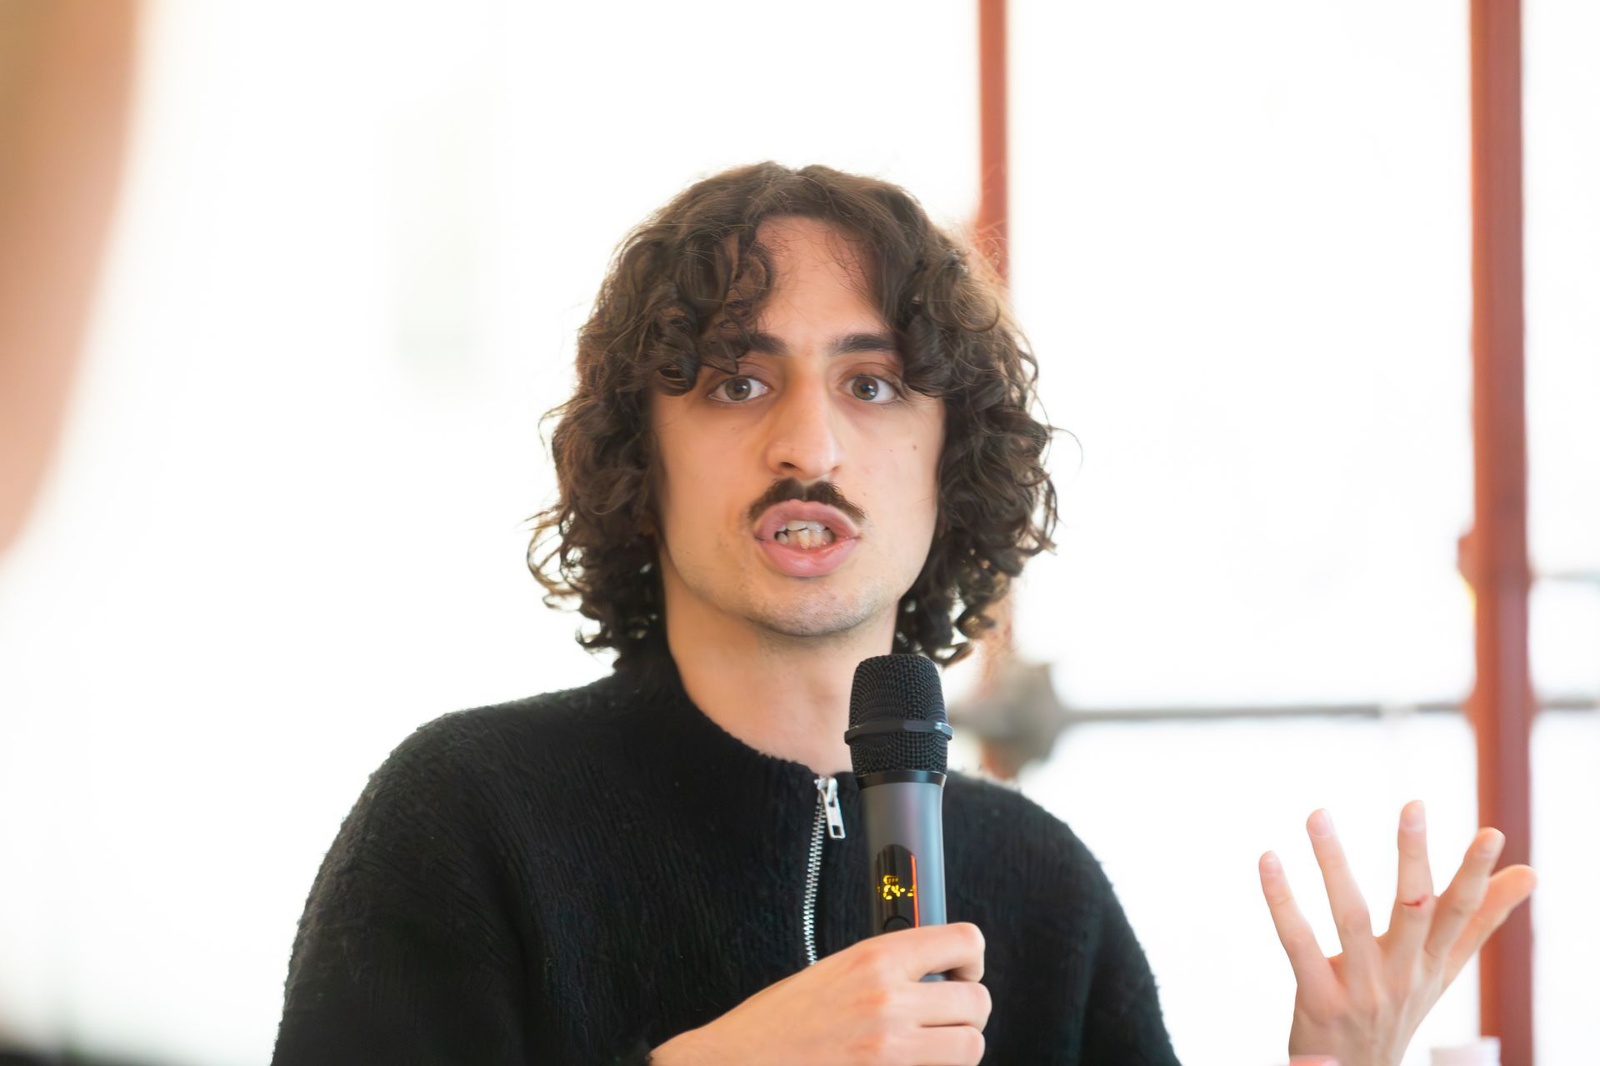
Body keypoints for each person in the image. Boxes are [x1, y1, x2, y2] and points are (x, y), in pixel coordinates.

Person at [270, 163, 1536, 1065]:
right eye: (738, 381)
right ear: (639, 458)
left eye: (871, 383)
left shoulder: (1041, 888)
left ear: (951, 459)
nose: (809, 444)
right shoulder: (466, 817)